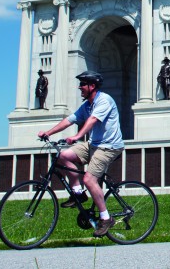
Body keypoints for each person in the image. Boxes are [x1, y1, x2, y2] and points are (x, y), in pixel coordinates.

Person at [37, 71, 125, 238]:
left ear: (92, 86)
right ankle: (78, 192)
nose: (80, 87)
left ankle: (106, 218)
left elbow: (92, 120)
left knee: (89, 179)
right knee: (62, 157)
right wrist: (48, 132)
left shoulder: (104, 101)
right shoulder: (87, 105)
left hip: (109, 147)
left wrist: (77, 136)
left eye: (83, 84)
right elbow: (70, 119)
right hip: (93, 144)